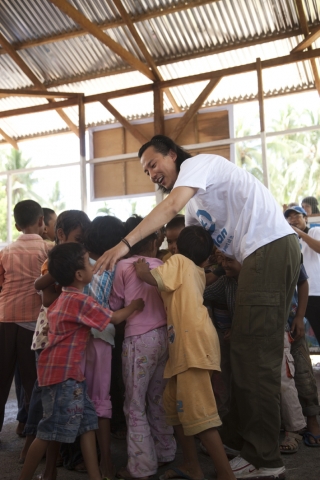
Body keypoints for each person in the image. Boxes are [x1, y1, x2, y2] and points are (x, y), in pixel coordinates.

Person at [94, 135, 301, 479]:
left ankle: (265, 458)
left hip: (268, 249)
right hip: (257, 258)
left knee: (255, 358)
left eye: (154, 164)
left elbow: (170, 206)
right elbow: (191, 255)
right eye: (146, 171)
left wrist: (125, 245)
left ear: (173, 155)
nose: (152, 173)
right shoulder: (194, 209)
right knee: (243, 354)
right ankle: (239, 441)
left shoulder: (199, 164)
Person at [19, 242, 144, 480]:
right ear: (79, 275)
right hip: (63, 378)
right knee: (47, 432)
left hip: (66, 376)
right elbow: (114, 318)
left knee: (88, 425)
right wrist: (135, 306)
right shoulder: (81, 302)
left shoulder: (63, 298)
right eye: (88, 263)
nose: (92, 266)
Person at [134, 225, 235, 480]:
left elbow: (153, 278)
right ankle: (192, 465)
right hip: (187, 346)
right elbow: (208, 275)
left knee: (200, 414)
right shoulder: (197, 270)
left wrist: (142, 269)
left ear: (179, 247)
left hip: (193, 346)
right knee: (174, 407)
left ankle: (225, 473)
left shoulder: (178, 262)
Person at [19, 210, 91, 474]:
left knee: (61, 407)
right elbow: (45, 296)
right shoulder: (58, 262)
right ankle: (33, 453)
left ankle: (52, 465)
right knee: (45, 404)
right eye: (78, 239)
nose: (82, 246)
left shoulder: (77, 261)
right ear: (61, 235)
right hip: (49, 340)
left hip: (65, 344)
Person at [109, 215, 176, 480]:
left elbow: (115, 305)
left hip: (139, 341)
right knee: (158, 399)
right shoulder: (161, 264)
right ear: (154, 240)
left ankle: (141, 467)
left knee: (134, 404)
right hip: (164, 338)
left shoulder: (123, 267)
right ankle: (165, 452)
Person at [0, 200, 50, 436]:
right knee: (33, 382)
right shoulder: (47, 249)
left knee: (2, 378)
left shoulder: (6, 251)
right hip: (33, 322)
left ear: (17, 226)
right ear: (42, 222)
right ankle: (34, 435)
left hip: (5, 318)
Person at [83, 215, 127, 479]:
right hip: (103, 337)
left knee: (79, 399)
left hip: (75, 338)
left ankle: (80, 459)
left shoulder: (78, 263)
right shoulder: (116, 268)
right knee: (101, 400)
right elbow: (118, 306)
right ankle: (106, 462)